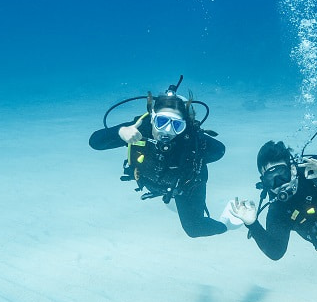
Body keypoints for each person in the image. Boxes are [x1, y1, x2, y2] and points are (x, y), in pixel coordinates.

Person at [89, 78, 226, 238]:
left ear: (184, 126)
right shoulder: (140, 130)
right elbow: (95, 142)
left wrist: (194, 151)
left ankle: (226, 226)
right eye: (162, 122)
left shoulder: (189, 138)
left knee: (194, 229)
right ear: (152, 119)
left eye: (176, 125)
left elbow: (219, 150)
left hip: (184, 187)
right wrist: (120, 132)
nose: (167, 130)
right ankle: (171, 198)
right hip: (152, 183)